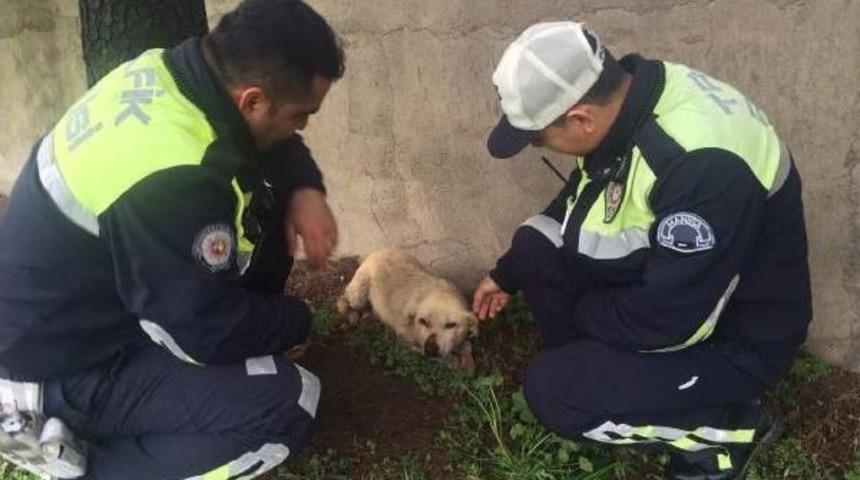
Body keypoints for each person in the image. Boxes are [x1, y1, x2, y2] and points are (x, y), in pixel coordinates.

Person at [0, 0, 344, 478]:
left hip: (62, 315)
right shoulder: (174, 174)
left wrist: (304, 186)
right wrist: (299, 319)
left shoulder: (169, 74)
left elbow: (254, 139)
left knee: (270, 209)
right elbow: (204, 332)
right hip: (62, 369)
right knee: (289, 402)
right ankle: (91, 465)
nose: (303, 127)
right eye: (300, 115)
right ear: (252, 100)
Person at [472, 22, 811, 480]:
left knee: (554, 393)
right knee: (534, 247)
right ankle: (614, 381)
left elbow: (670, 322)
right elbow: (583, 196)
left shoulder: (701, 165)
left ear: (580, 118)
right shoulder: (634, 97)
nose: (536, 147)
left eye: (536, 137)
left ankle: (725, 430)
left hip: (733, 339)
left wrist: (582, 316)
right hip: (679, 286)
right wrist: (509, 273)